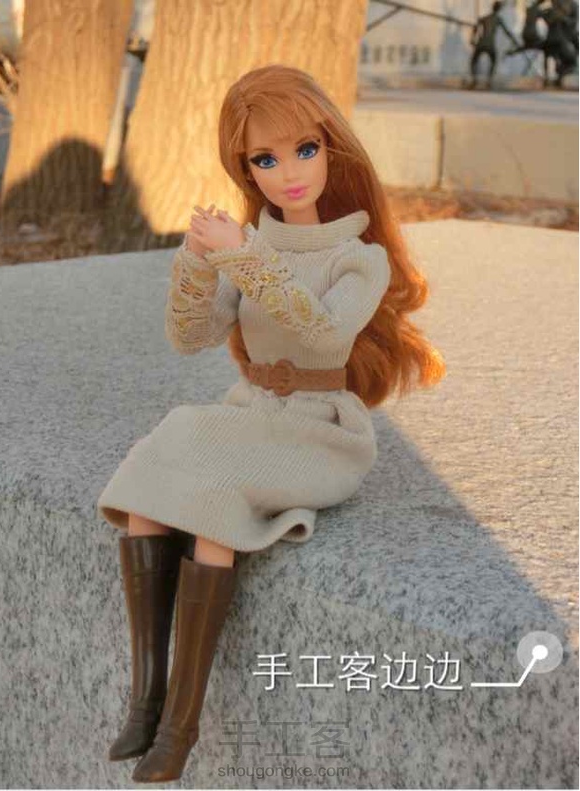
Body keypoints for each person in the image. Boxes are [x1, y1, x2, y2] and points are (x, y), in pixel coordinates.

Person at [97, 63, 446, 783]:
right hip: (251, 411)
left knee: (216, 500)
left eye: (304, 150)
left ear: (332, 149)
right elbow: (190, 336)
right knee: (151, 473)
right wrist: (199, 264)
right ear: (246, 170)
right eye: (265, 159)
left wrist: (245, 255)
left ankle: (182, 726)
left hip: (320, 430)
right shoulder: (253, 245)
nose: (289, 173)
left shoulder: (359, 259)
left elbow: (322, 331)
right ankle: (146, 698)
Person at [468, 0, 513, 88]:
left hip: (481, 43)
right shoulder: (498, 19)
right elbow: (506, 31)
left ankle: (474, 80)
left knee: (474, 61)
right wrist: (512, 39)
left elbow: (476, 26)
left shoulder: (485, 18)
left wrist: (472, 39)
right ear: (498, 9)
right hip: (490, 45)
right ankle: (488, 81)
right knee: (493, 61)